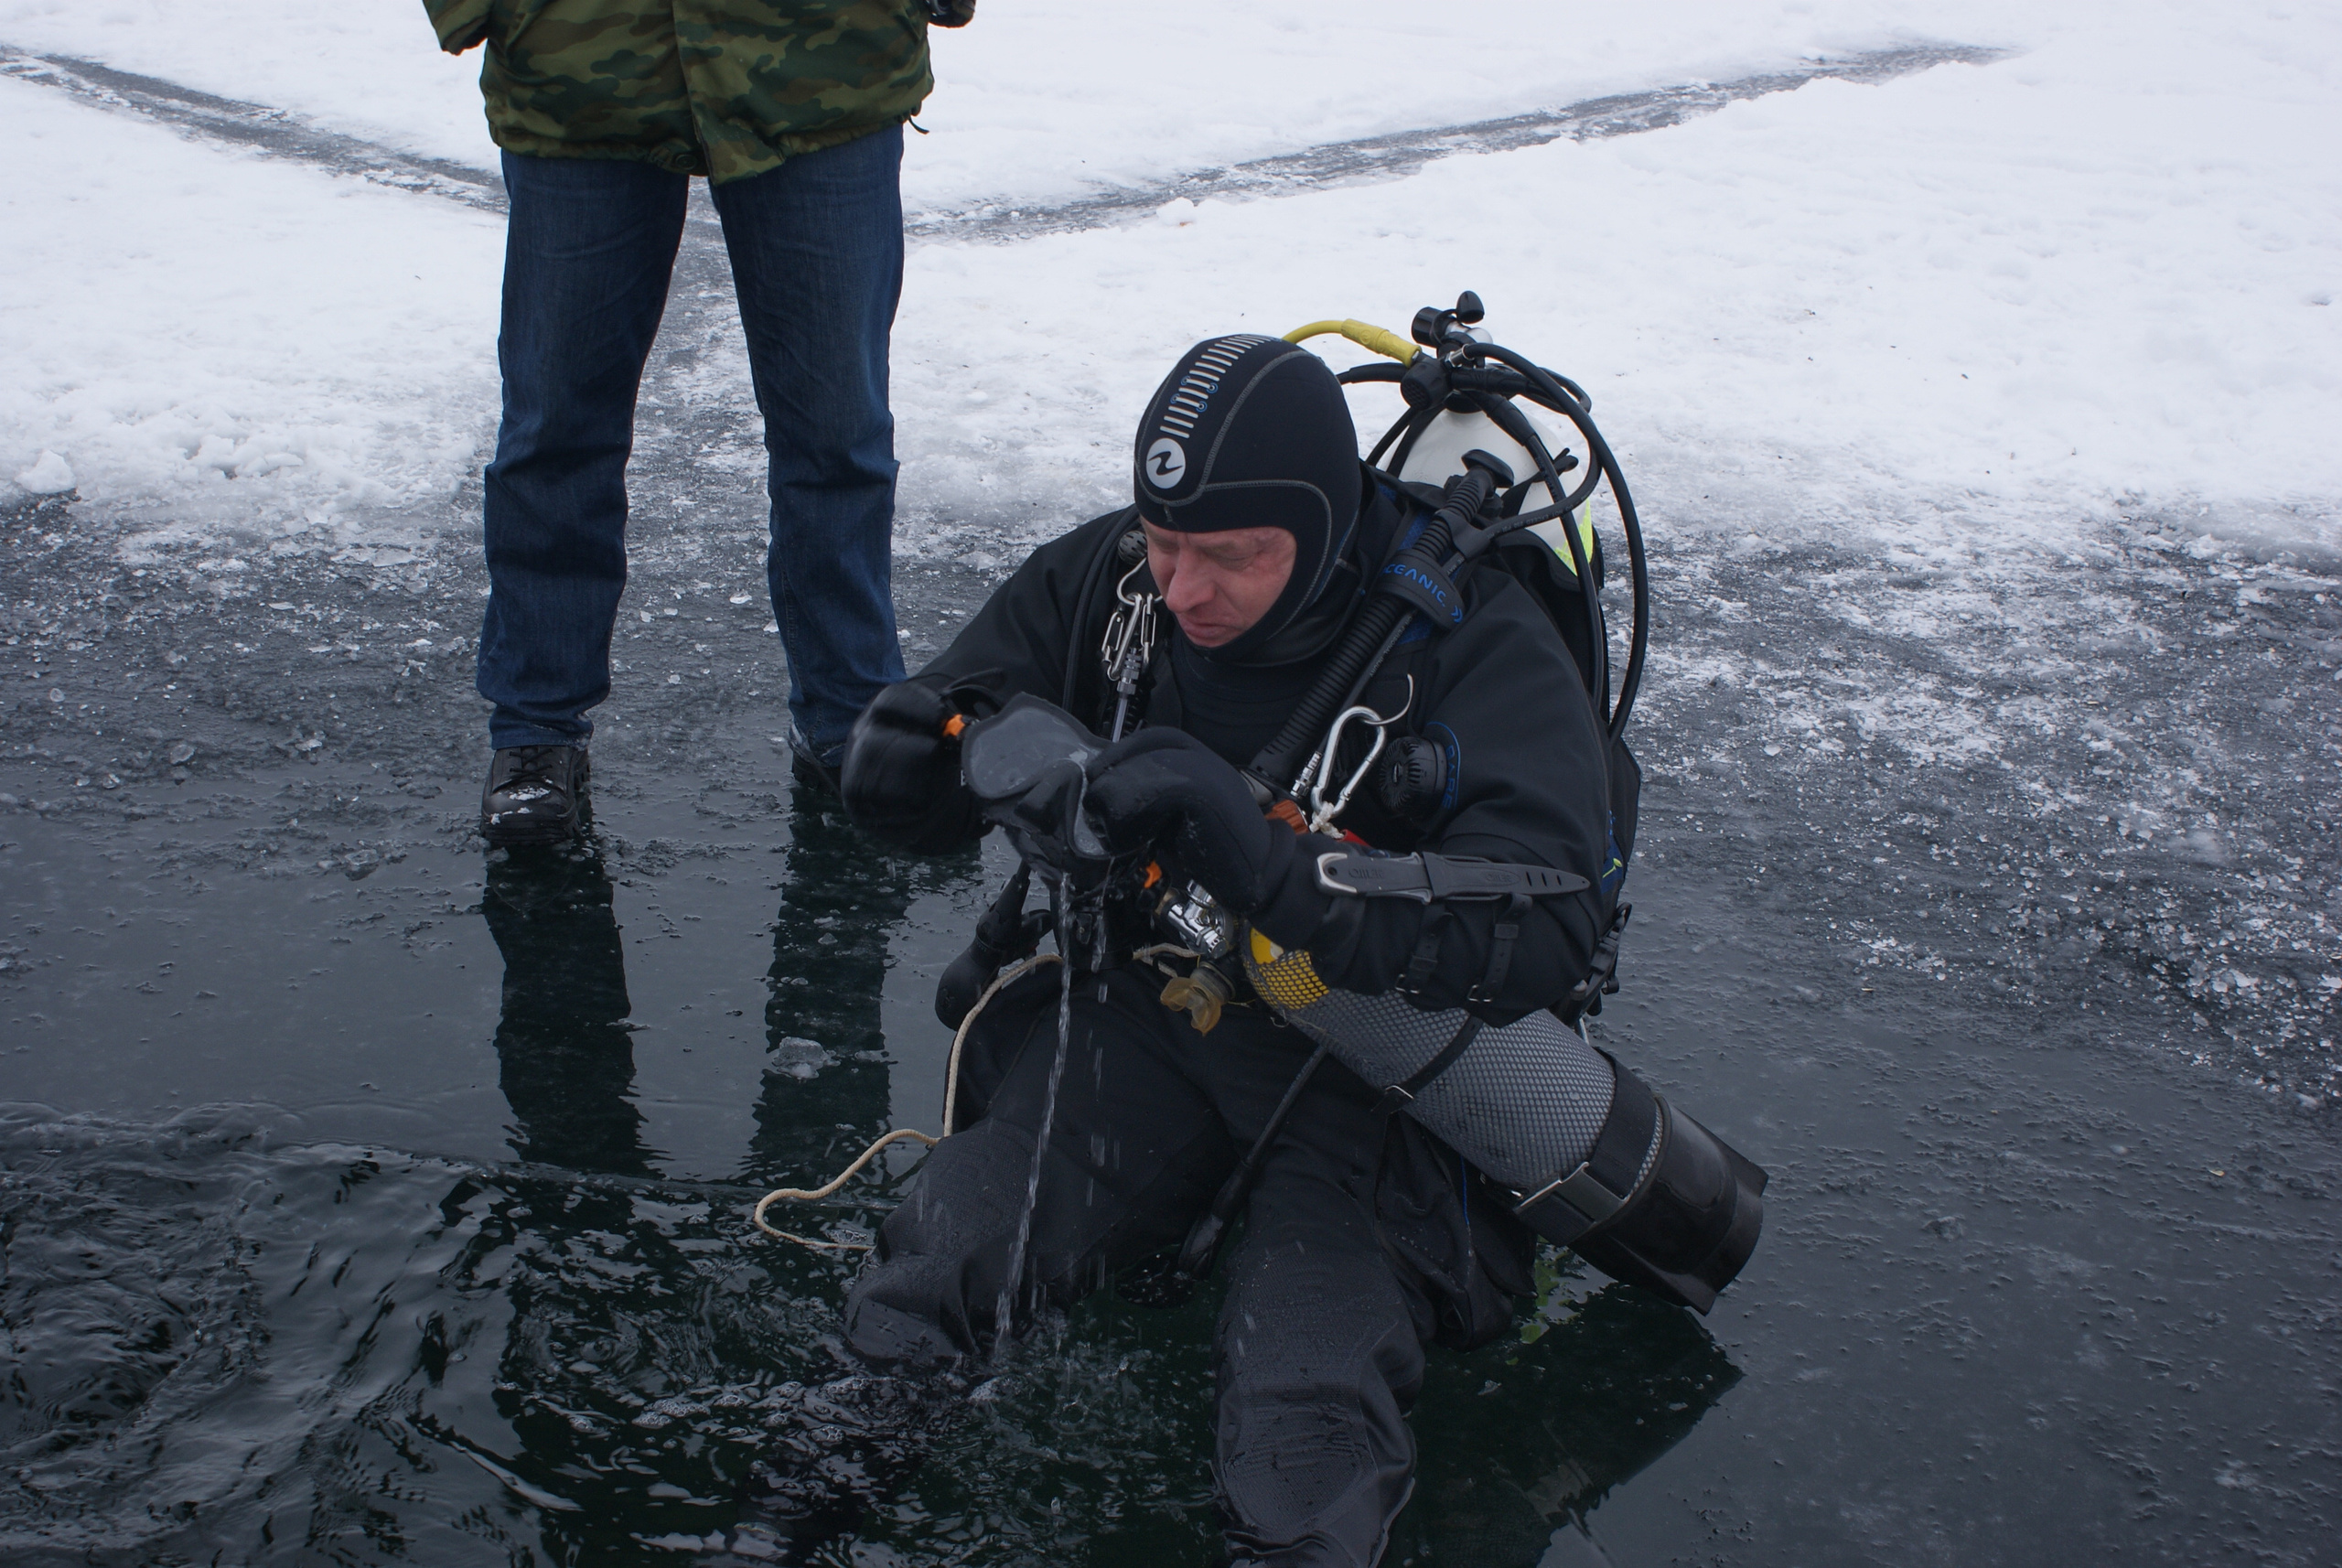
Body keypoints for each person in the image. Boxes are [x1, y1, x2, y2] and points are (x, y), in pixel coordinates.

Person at [821, 333, 1638, 1565]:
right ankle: (782, 1520)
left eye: (1234, 558)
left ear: (1321, 529)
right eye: (1166, 544)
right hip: (1156, 1017)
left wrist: (1274, 868)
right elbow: (967, 704)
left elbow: (1552, 919)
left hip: (1381, 1082)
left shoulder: (1478, 645)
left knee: (1300, 1419)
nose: (1186, 590)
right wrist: (910, 766)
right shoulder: (1119, 582)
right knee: (936, 1267)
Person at [420, 0, 975, 845]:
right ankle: (536, 729)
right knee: (556, 429)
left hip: (820, 56)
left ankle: (848, 714)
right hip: (581, 54)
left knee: (837, 432)